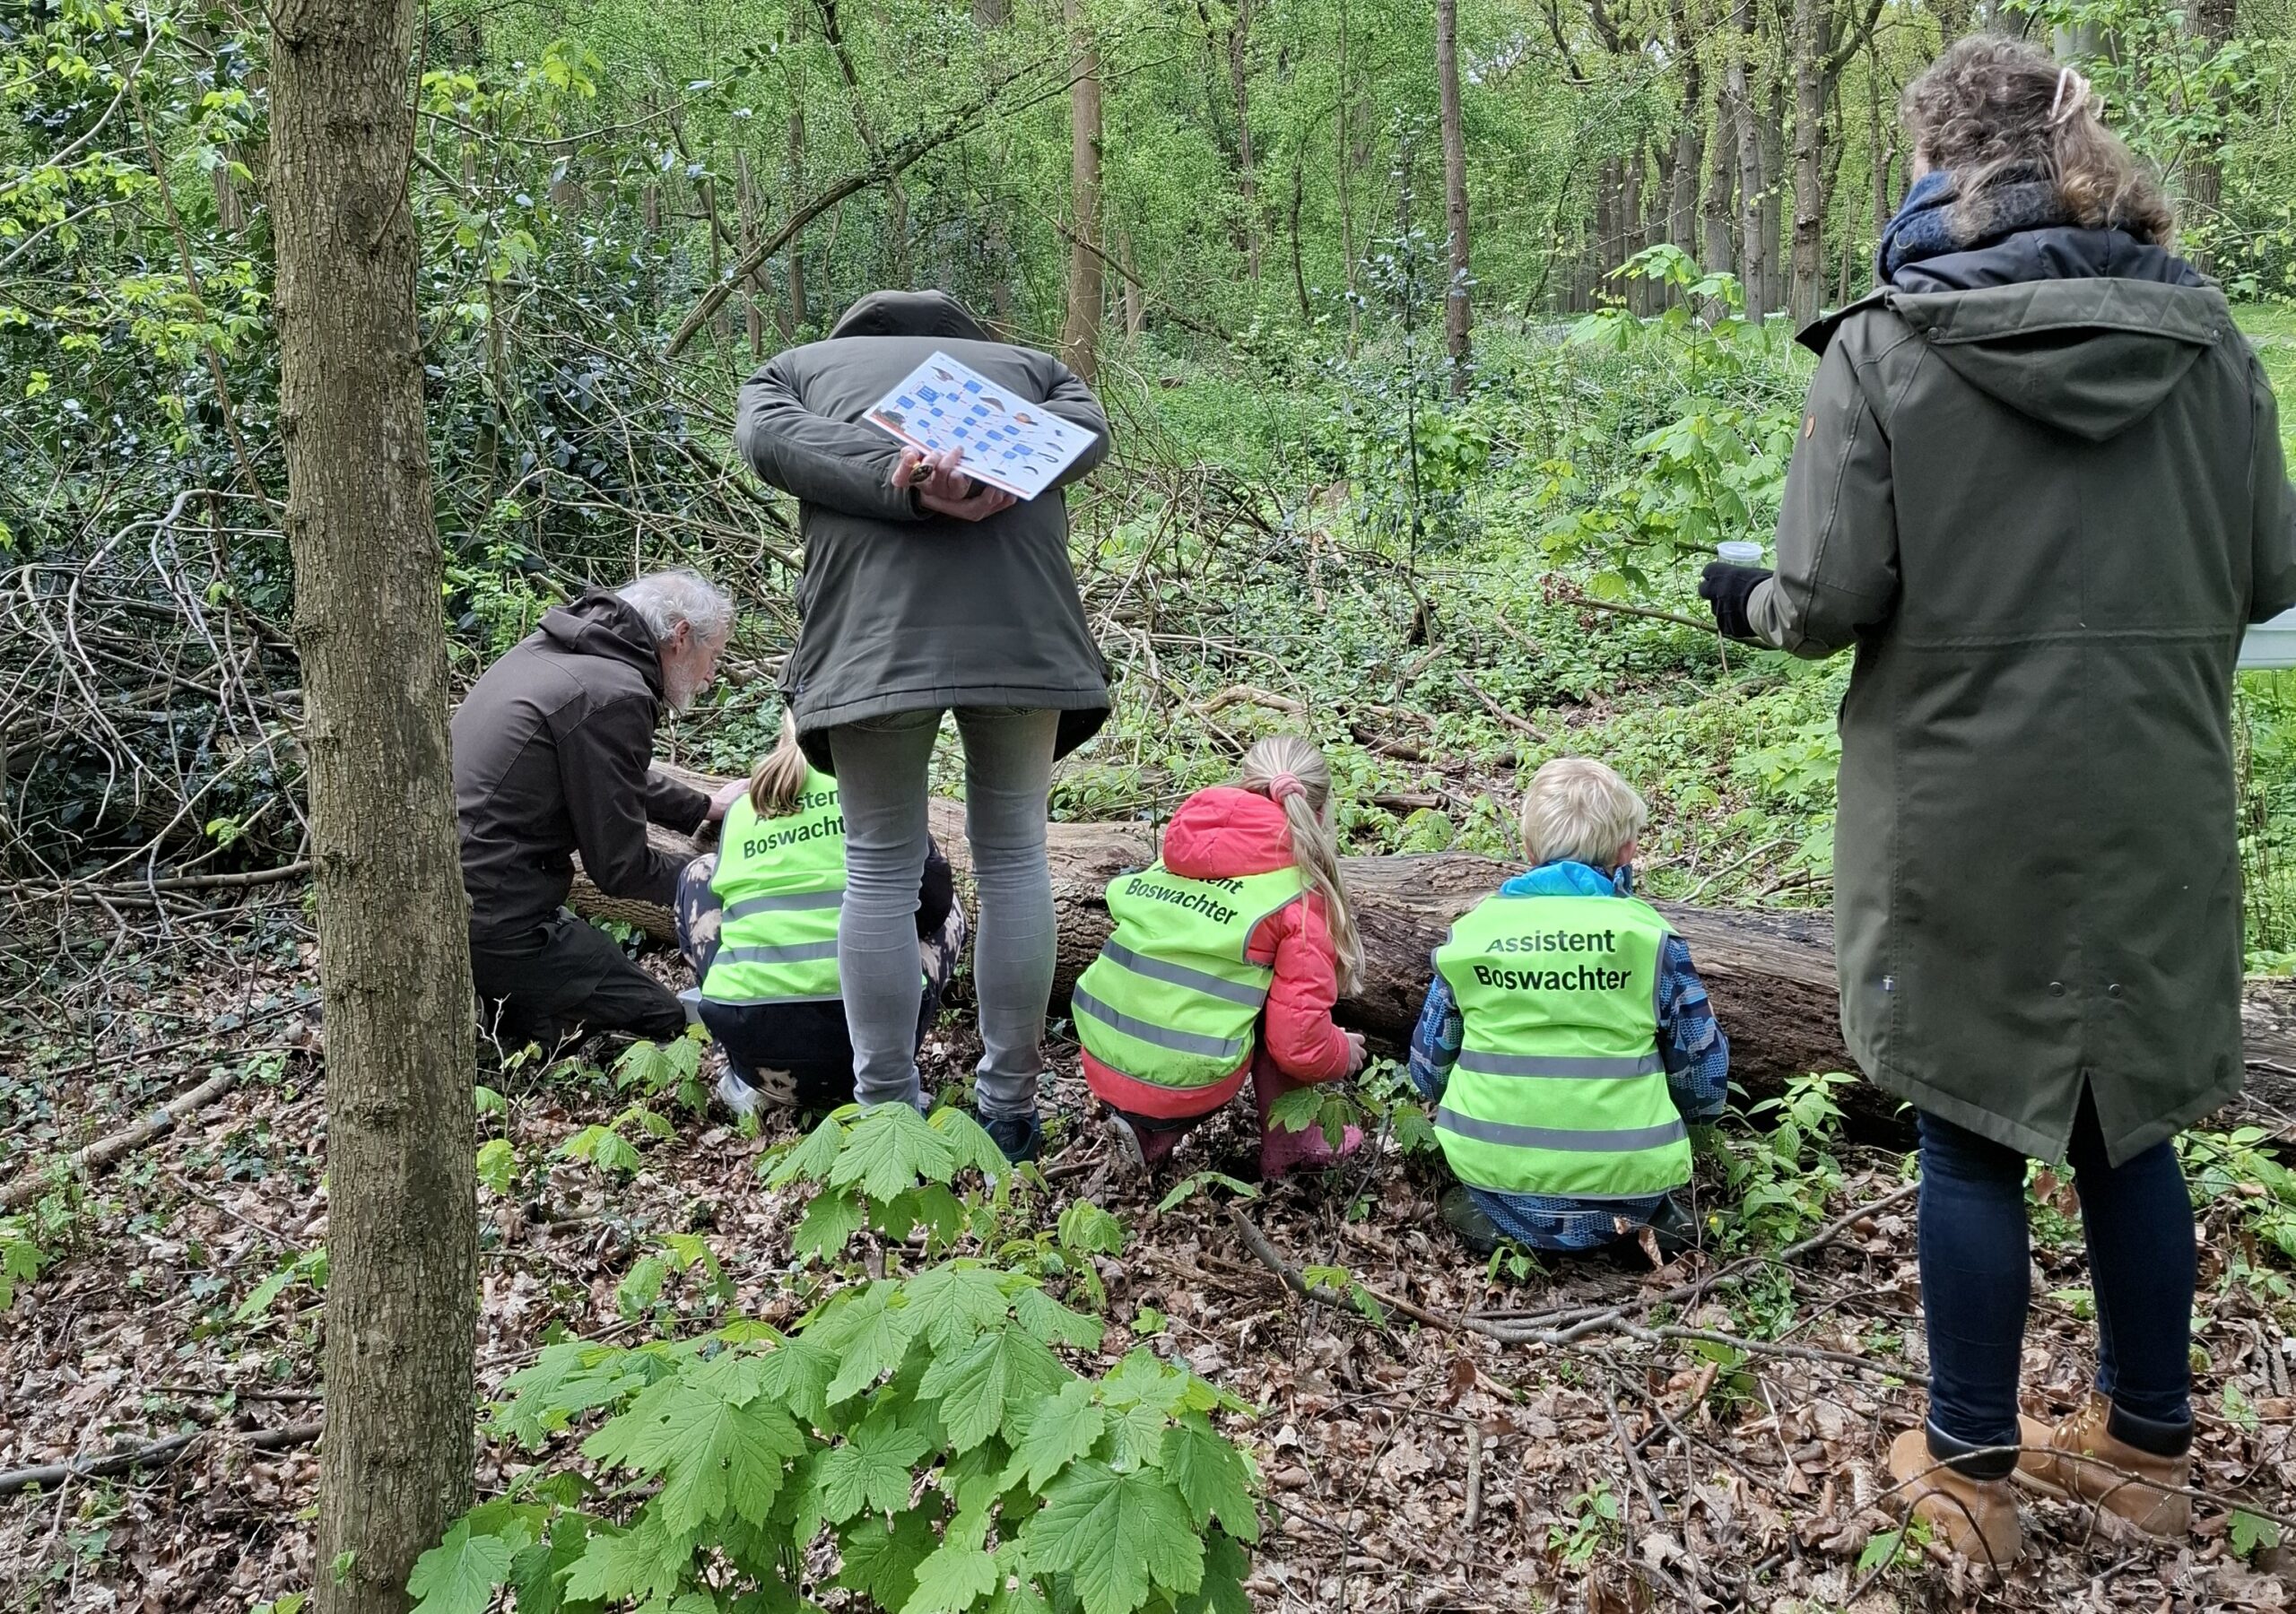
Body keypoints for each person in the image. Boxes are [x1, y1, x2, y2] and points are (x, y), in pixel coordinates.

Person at [1697, 37, 2296, 1566]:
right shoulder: (2213, 342)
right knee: (2131, 1123)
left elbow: (1827, 597)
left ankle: (1968, 1468)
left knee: (1969, 1125)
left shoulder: (1885, 348)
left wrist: (1746, 597)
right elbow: (2275, 575)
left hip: (1958, 796)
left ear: (1937, 167)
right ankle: (2149, 1446)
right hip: (2157, 784)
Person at [734, 291, 1112, 1163]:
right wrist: (949, 476)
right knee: (1016, 855)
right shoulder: (1030, 371)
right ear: (963, 341)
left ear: (850, 335)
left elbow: (763, 440)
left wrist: (892, 475)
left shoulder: (794, 372)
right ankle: (1010, 1112)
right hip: (1022, 637)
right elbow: (1088, 432)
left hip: (875, 645)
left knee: (877, 870)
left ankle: (887, 1118)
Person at [1407, 759, 1727, 1262]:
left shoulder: (1473, 933)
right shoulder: (1651, 940)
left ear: (1529, 849)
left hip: (1494, 1175)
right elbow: (1705, 1086)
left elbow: (1427, 1071)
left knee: (1469, 1201)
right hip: (1631, 1186)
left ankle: (1513, 1229)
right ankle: (1634, 1230)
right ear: (1628, 849)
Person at [453, 569, 746, 1050]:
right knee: (665, 1016)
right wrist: (728, 879)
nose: (712, 675)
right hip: (496, 921)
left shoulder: (554, 651)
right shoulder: (614, 694)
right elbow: (620, 868)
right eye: (713, 658)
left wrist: (702, 807)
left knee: (583, 983)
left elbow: (603, 769)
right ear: (680, 637)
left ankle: (523, 1022)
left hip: (464, 896)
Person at [1074, 735, 1370, 1179]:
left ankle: (1149, 1134)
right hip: (1189, 1076)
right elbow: (1298, 1045)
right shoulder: (1299, 899)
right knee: (1276, 1009)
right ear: (1322, 814)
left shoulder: (1179, 855)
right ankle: (1293, 1145)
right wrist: (1342, 1052)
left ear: (1245, 785)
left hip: (1099, 1052)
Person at [673, 711, 968, 1115]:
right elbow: (934, 904)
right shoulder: (877, 792)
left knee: (699, 874)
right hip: (870, 1055)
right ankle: (898, 1071)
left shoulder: (745, 805)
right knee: (951, 910)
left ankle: (737, 1077)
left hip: (761, 1063)